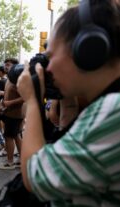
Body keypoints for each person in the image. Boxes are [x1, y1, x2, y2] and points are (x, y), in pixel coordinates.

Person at [17, 0, 120, 206]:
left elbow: (34, 176)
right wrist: (69, 103)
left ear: (87, 49)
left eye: (51, 56)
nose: (48, 69)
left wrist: (32, 100)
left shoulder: (113, 110)